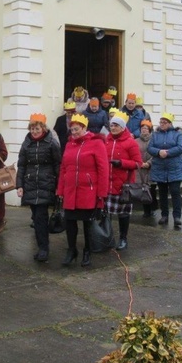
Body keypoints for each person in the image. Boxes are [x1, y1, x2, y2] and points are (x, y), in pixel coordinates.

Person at [56, 113, 109, 267]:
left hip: (88, 191)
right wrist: (60, 190)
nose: (74, 133)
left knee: (87, 223)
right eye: (72, 130)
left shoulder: (96, 143)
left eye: (77, 129)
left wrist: (101, 194)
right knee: (70, 222)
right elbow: (63, 168)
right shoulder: (69, 144)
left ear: (85, 128)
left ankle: (87, 250)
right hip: (71, 190)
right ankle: (72, 250)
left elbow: (103, 169)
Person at [16, 113, 61, 262]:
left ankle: (44, 248)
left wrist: (58, 186)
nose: (34, 131)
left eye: (37, 128)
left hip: (45, 183)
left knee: (41, 217)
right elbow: (21, 165)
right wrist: (19, 185)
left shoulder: (51, 143)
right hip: (30, 183)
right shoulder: (26, 143)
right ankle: (42, 245)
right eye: (32, 129)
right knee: (35, 218)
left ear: (43, 128)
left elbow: (57, 165)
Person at [105, 113, 142, 250]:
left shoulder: (130, 142)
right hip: (107, 183)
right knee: (105, 213)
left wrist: (121, 163)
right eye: (111, 125)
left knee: (123, 213)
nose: (113, 127)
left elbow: (138, 163)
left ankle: (123, 238)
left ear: (122, 127)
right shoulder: (106, 140)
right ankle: (107, 237)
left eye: (116, 125)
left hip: (123, 184)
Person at [148, 113, 182, 229]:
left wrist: (168, 153)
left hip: (174, 168)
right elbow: (150, 148)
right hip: (160, 168)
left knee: (175, 192)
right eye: (161, 122)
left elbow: (181, 147)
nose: (162, 124)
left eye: (164, 122)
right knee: (163, 193)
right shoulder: (155, 135)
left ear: (170, 123)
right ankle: (164, 215)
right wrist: (159, 152)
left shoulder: (177, 134)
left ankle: (177, 217)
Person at [135, 119, 158, 218]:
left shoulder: (154, 140)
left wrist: (149, 163)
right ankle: (146, 210)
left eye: (146, 128)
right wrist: (140, 163)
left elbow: (156, 154)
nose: (144, 130)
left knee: (151, 189)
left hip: (151, 168)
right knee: (143, 190)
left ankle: (153, 208)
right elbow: (134, 153)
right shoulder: (135, 141)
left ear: (149, 130)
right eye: (142, 128)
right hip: (140, 169)